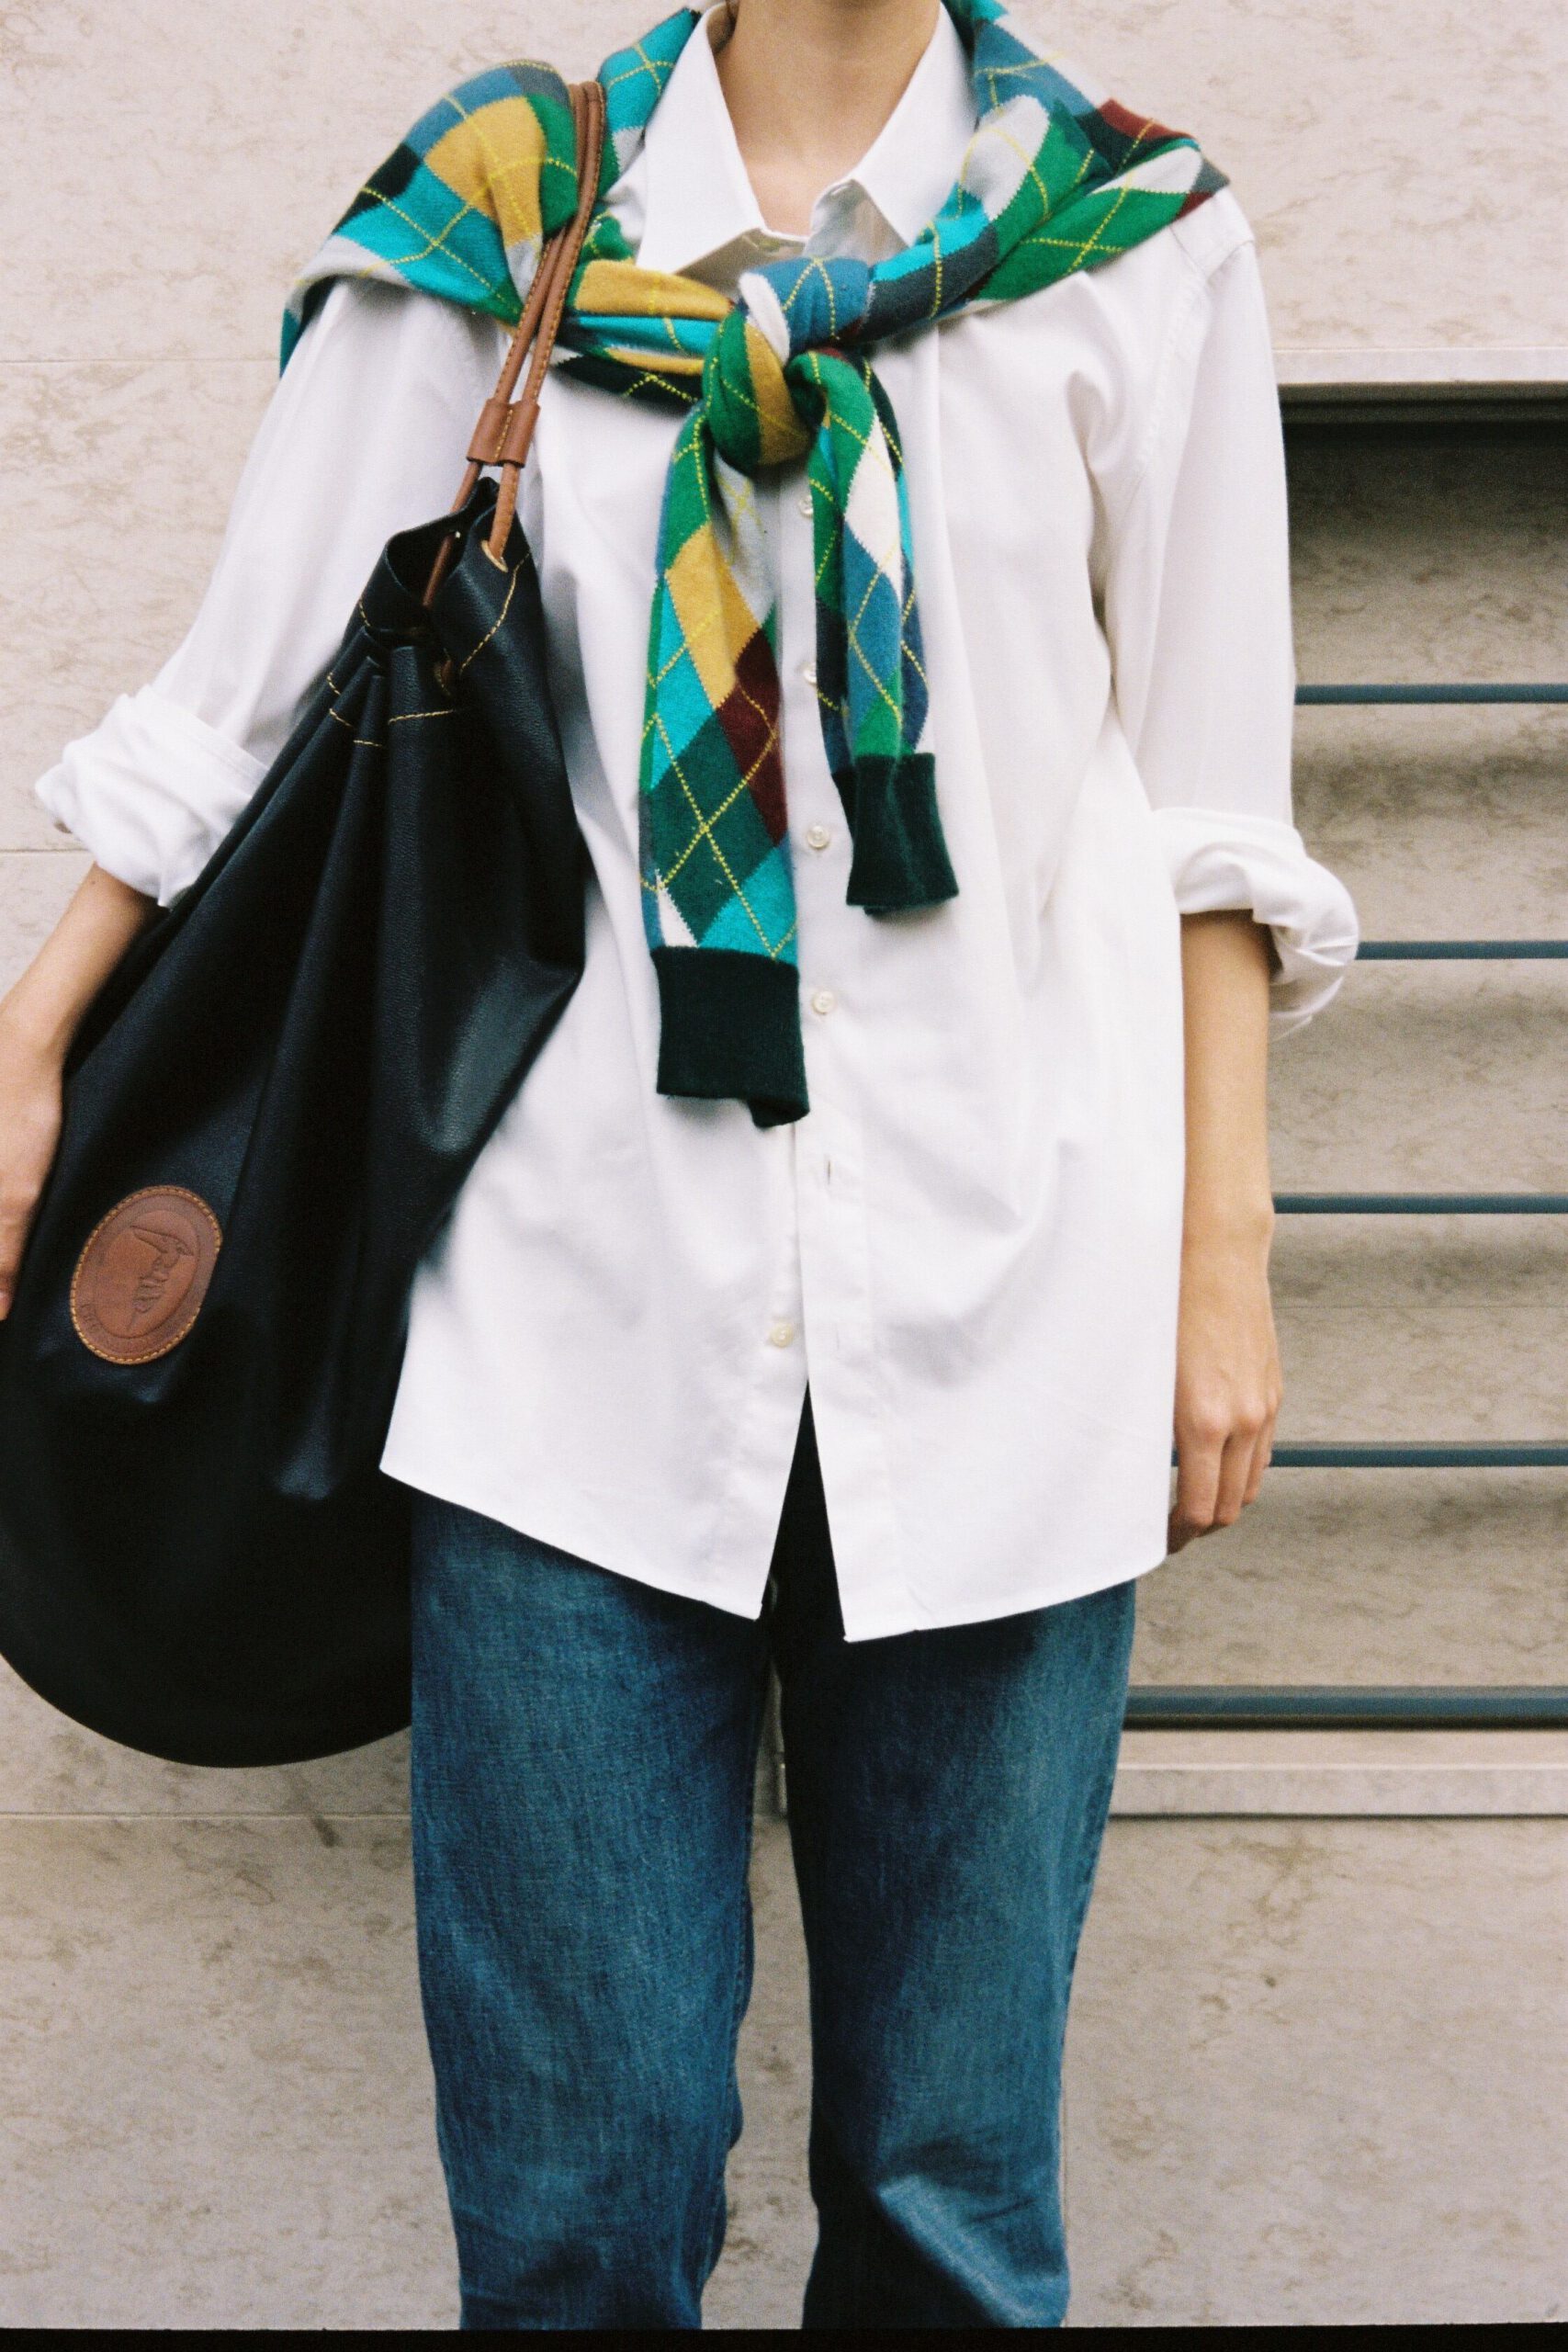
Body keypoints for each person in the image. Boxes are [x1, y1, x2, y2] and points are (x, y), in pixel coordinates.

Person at [3, 0, 1358, 2328]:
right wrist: (36, 1040)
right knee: (574, 2220)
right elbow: (244, 696)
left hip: (1008, 1328)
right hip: (566, 1336)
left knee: (949, 2213)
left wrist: (1217, 1261)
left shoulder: (1134, 237)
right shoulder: (506, 213)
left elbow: (1211, 809)